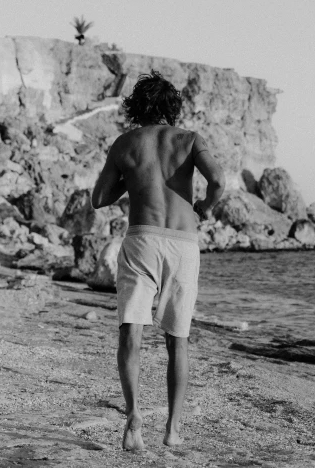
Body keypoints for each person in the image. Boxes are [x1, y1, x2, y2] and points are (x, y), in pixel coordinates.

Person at [91, 70, 225, 451]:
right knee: (177, 339)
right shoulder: (189, 139)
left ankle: (134, 419)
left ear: (137, 106)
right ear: (172, 106)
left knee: (131, 331)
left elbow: (99, 198)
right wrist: (205, 208)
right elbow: (218, 181)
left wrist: (132, 176)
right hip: (183, 244)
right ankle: (173, 428)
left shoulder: (125, 143)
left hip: (141, 241)